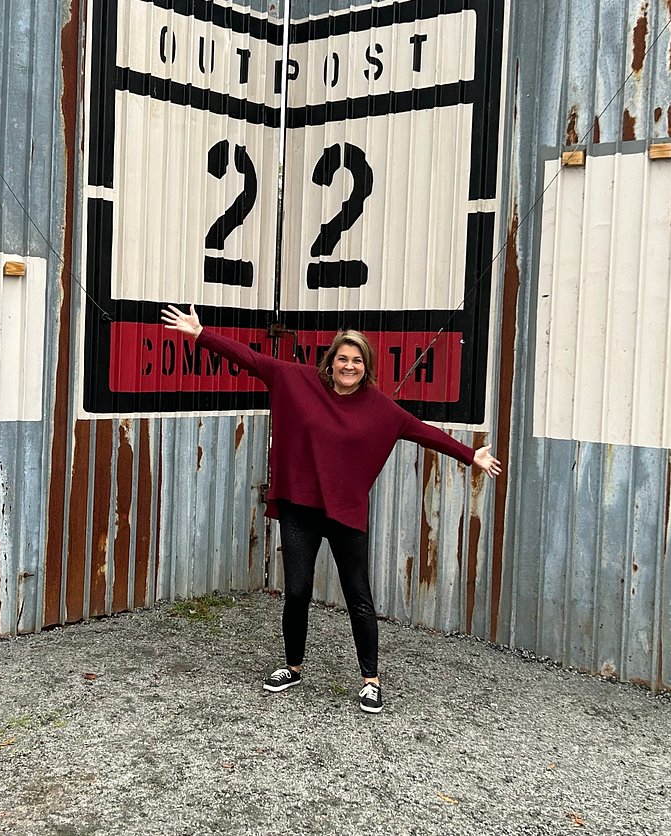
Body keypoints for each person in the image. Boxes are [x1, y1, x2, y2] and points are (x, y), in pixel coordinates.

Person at [161, 304, 502, 714]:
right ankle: (292, 667)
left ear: (366, 367)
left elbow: (424, 432)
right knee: (298, 592)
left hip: (344, 513)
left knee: (358, 595)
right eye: (343, 358)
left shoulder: (381, 409)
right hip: (300, 508)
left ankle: (371, 681)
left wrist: (470, 455)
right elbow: (249, 358)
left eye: (357, 360)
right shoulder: (296, 380)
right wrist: (201, 335)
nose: (349, 365)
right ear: (331, 360)